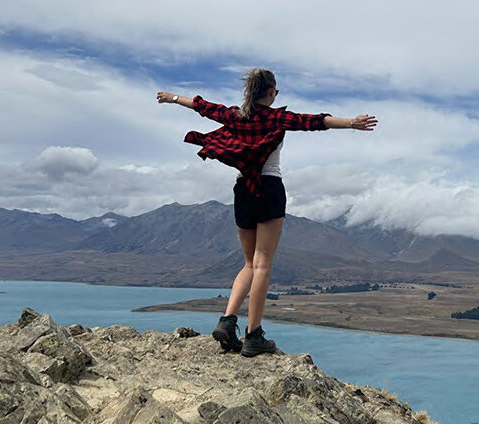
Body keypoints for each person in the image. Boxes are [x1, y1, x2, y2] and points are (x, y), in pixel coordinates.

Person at [157, 68, 377, 357]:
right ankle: (253, 335)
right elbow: (314, 122)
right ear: (271, 92)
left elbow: (201, 105)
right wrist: (352, 123)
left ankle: (227, 321)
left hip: (242, 192)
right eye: (276, 91)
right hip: (269, 189)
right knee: (262, 265)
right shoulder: (276, 117)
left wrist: (172, 98)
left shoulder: (233, 115)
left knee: (248, 263)